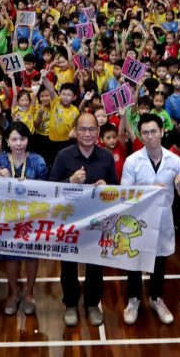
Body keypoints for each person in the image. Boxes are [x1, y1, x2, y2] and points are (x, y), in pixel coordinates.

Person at [49, 113, 118, 327]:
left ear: (98, 132)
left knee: (95, 265)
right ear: (76, 131)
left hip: (97, 221)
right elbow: (51, 189)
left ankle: (91, 304)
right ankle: (70, 304)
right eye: (83, 129)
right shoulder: (63, 156)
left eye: (91, 129)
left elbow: (116, 188)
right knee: (68, 264)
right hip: (70, 220)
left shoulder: (106, 157)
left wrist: (107, 187)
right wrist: (70, 181)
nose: (87, 134)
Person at [119, 113, 180, 326]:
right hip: (138, 219)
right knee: (135, 261)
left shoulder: (175, 161)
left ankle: (156, 298)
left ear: (162, 131)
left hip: (163, 217)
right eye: (145, 133)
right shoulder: (132, 161)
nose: (150, 137)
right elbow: (125, 192)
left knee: (159, 261)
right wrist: (149, 190)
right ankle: (133, 300)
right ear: (141, 135)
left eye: (153, 132)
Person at [0, 123, 44, 317]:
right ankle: (14, 294)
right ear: (7, 141)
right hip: (7, 218)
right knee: (10, 257)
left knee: (31, 256)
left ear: (28, 140)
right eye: (14, 139)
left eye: (22, 139)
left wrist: (31, 185)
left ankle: (30, 293)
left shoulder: (38, 161)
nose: (18, 143)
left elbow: (47, 189)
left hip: (32, 217)